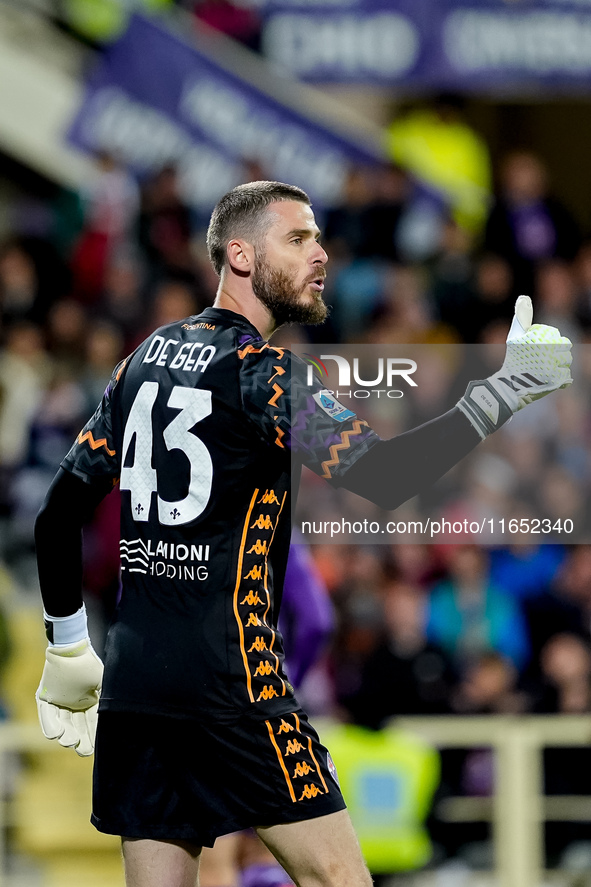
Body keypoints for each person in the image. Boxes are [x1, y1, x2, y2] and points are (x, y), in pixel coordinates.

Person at [34, 181, 572, 887]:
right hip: (232, 682)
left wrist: (68, 644)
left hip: (135, 683)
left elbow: (55, 514)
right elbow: (384, 475)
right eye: (298, 239)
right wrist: (500, 392)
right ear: (240, 255)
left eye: (319, 238)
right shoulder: (267, 376)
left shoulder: (146, 356)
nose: (321, 254)